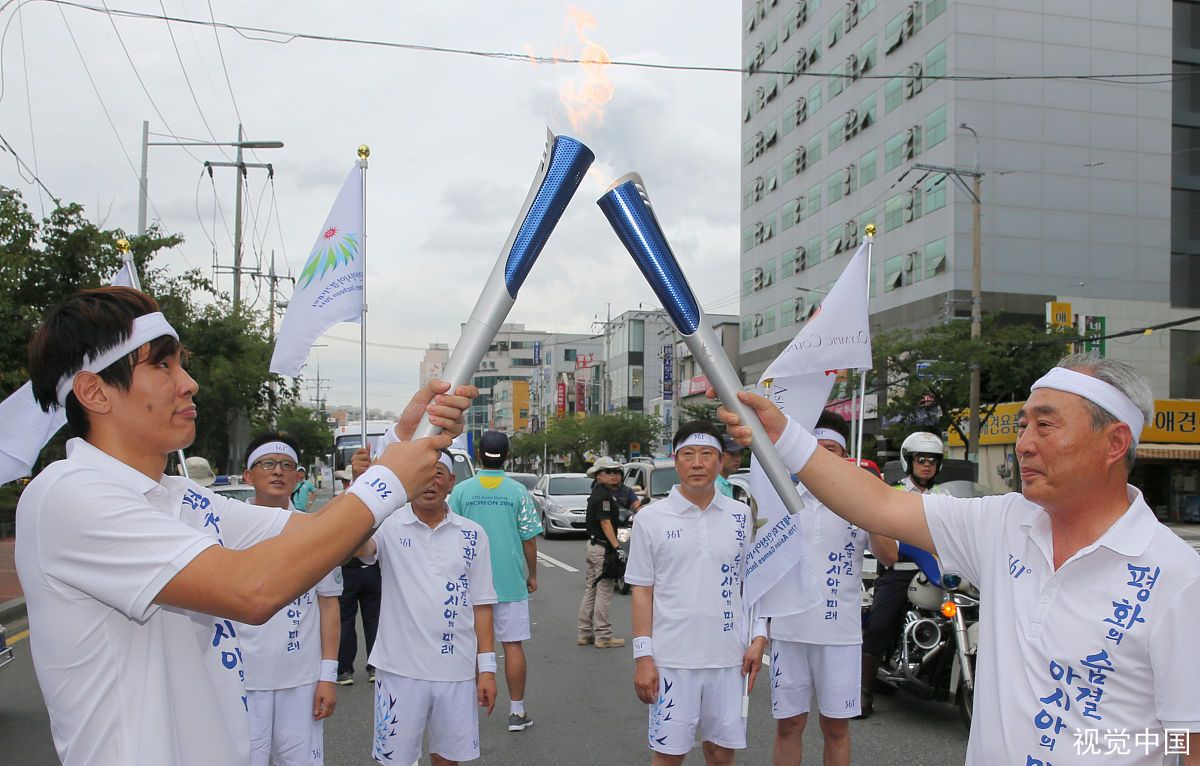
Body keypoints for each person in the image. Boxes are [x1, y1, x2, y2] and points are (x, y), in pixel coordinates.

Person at [14, 286, 472, 765]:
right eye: (162, 365)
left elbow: (314, 537)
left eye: (181, 364)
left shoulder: (178, 494)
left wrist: (398, 443)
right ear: (93, 391)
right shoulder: (67, 495)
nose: (188, 383)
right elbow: (251, 590)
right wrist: (388, 480)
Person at [716, 355, 1200, 764]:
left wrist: (1096, 745)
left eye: (1046, 425)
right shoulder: (1004, 522)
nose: (1025, 442)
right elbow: (879, 505)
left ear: (1114, 443)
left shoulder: (1176, 578)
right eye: (1023, 425)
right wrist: (784, 435)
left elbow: (1187, 739)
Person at [625, 421, 769, 766]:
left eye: (707, 455)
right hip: (673, 660)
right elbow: (642, 591)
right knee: (669, 755)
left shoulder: (740, 515)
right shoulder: (651, 518)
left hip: (728, 659)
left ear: (721, 462)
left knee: (721, 753)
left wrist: (759, 635)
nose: (697, 463)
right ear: (676, 462)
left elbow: (752, 581)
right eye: (688, 455)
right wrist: (644, 658)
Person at [354, 451, 498, 765]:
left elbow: (482, 606)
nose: (431, 483)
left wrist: (486, 670)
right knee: (395, 760)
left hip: (456, 669)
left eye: (439, 474)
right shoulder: (388, 525)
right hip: (399, 670)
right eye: (424, 474)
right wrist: (359, 489)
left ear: (451, 482)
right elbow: (356, 546)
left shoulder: (473, 535)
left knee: (448, 759)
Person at [768, 410, 891, 766]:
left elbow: (888, 555)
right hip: (789, 630)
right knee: (789, 724)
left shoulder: (859, 500)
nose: (823, 456)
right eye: (816, 449)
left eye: (832, 450)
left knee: (836, 726)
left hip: (839, 633)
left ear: (844, 456)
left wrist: (871, 507)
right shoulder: (785, 498)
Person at [236, 432, 342, 766]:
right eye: (268, 464)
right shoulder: (227, 526)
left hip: (300, 681)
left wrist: (328, 674)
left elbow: (328, 604)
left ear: (299, 478)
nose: (278, 472)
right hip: (241, 679)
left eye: (287, 466)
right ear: (248, 476)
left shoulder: (314, 531)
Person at [448, 430, 543, 733]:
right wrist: (532, 574)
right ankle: (517, 711)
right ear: (507, 456)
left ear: (479, 455)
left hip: (469, 582)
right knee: (512, 645)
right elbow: (529, 539)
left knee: (471, 646)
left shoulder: (462, 491)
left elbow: (451, 534)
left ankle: (467, 709)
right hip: (510, 581)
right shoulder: (517, 492)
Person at [856, 430, 943, 717]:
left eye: (932, 460)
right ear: (909, 461)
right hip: (900, 570)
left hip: (940, 572)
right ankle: (863, 693)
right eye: (921, 459)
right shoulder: (894, 493)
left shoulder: (945, 496)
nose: (927, 465)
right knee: (880, 624)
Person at [577, 455, 628, 649]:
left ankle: (584, 633)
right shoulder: (604, 496)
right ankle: (603, 636)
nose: (614, 475)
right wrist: (617, 547)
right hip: (602, 548)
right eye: (609, 472)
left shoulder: (598, 492)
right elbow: (605, 522)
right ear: (597, 475)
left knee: (591, 589)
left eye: (617, 471)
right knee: (604, 591)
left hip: (593, 546)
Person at [715, 434, 743, 500]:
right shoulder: (715, 487)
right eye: (733, 454)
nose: (738, 459)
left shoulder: (722, 484)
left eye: (740, 453)